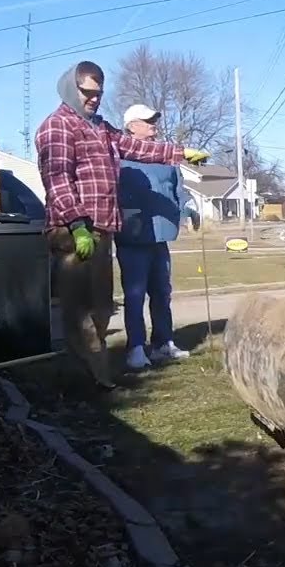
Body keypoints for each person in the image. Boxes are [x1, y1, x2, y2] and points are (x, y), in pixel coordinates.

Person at [35, 60, 208, 389]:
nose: (94, 99)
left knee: (101, 307)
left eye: (99, 93)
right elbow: (56, 180)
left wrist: (182, 153)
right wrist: (76, 224)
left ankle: (97, 375)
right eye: (88, 92)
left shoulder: (101, 127)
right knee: (79, 309)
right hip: (74, 231)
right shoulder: (56, 126)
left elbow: (138, 147)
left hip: (101, 230)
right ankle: (89, 381)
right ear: (72, 88)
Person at [115, 103, 200, 370]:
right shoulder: (119, 157)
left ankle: (163, 343)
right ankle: (136, 348)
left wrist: (190, 208)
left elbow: (178, 189)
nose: (154, 124)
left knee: (162, 292)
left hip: (160, 235)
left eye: (154, 120)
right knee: (135, 294)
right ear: (131, 126)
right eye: (147, 120)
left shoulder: (166, 157)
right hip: (133, 236)